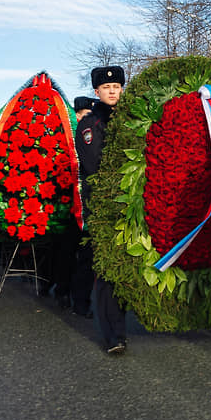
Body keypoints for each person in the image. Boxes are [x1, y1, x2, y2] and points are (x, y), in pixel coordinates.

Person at [75, 66, 126, 353]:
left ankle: (121, 323)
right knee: (107, 270)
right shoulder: (89, 125)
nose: (112, 91)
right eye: (107, 88)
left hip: (131, 206)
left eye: (117, 87)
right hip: (104, 206)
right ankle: (113, 335)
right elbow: (96, 166)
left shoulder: (132, 120)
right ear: (97, 91)